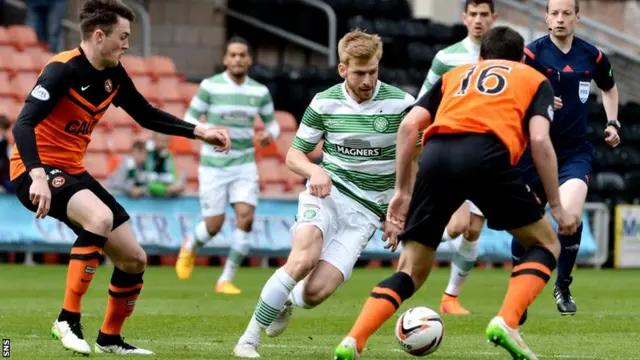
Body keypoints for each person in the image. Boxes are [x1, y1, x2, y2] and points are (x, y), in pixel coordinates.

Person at [333, 26, 579, 360]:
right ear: (522, 58)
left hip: (436, 157)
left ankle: (353, 341)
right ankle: (507, 322)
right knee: (545, 243)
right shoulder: (533, 78)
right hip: (488, 155)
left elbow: (408, 127)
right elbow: (539, 139)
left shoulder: (456, 75)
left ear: (480, 57)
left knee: (410, 271)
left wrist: (403, 191)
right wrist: (557, 205)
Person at [9, 0, 230, 356]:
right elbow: (23, 124)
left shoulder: (113, 73)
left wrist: (199, 131)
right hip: (34, 171)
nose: (128, 44)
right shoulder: (61, 70)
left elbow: (145, 113)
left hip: (72, 171)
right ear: (99, 35)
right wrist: (36, 175)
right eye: (123, 36)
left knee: (133, 258)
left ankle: (110, 338)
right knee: (100, 218)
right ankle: (67, 319)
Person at [232, 29, 415, 358]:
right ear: (343, 69)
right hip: (328, 195)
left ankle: (288, 299)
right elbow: (293, 156)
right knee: (303, 258)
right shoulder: (324, 101)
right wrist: (315, 170)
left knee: (313, 295)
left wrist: (398, 212)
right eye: (359, 73)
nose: (367, 80)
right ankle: (248, 339)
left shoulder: (401, 105)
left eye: (373, 71)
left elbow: (415, 161)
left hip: (367, 214)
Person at [514, 0, 620, 323]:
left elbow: (610, 88)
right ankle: (520, 292)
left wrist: (612, 123)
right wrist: (538, 97)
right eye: (554, 13)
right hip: (534, 152)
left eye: (566, 14)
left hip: (574, 153)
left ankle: (562, 284)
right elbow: (513, 92)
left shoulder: (593, 56)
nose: (560, 19)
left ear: (577, 17)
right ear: (546, 17)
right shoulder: (531, 55)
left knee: (569, 217)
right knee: (526, 224)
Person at [175, 36, 279, 295]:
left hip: (244, 163)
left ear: (250, 59)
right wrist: (208, 132)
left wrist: (269, 135)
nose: (237, 59)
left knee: (246, 216)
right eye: (232, 55)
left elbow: (273, 123)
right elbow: (189, 118)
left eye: (242, 55)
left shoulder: (259, 91)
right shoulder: (210, 86)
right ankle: (190, 245)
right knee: (214, 225)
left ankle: (226, 280)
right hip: (213, 164)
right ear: (225, 59)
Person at [416, 0, 497, 316]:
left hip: (488, 154)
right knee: (457, 225)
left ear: (494, 18)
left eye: (484, 15)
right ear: (464, 18)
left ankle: (450, 298)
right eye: (473, 14)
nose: (478, 21)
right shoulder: (446, 57)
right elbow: (426, 99)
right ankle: (416, 249)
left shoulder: (504, 58)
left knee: (473, 230)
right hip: (451, 149)